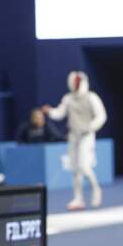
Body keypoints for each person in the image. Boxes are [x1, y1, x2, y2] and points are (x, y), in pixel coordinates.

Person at [43, 71, 107, 210]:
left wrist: (90, 127)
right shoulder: (68, 98)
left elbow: (101, 116)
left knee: (84, 166)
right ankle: (78, 199)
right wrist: (50, 112)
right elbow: (60, 113)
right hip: (73, 136)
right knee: (75, 169)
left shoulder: (91, 97)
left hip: (87, 136)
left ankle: (96, 190)